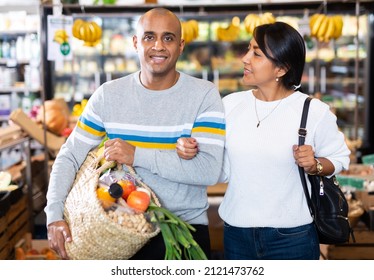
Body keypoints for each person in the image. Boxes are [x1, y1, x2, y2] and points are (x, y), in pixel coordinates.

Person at [45, 7, 225, 260]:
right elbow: (70, 156)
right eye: (149, 37)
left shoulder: (203, 95)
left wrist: (136, 155)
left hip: (185, 234)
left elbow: (207, 170)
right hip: (120, 233)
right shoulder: (109, 95)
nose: (158, 46)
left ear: (181, 45)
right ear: (135, 43)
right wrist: (53, 215)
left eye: (168, 38)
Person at [176, 21, 350, 260]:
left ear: (281, 69)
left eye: (256, 54)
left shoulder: (313, 111)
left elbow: (340, 158)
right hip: (237, 234)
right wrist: (194, 150)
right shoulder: (230, 105)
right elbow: (222, 171)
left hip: (293, 238)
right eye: (248, 49)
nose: (245, 58)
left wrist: (315, 165)